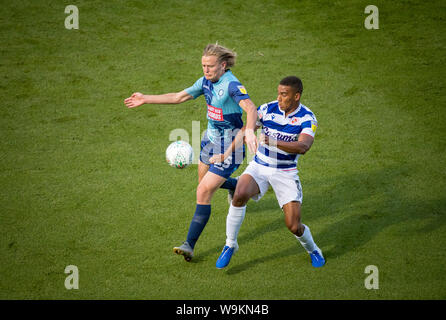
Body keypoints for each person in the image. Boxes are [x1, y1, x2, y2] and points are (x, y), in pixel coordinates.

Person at [124, 43, 258, 262]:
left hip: (231, 147)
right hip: (209, 140)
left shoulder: (232, 85)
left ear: (223, 65)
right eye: (203, 65)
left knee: (203, 191)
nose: (206, 70)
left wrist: (250, 131)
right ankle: (235, 185)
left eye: (210, 66)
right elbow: (178, 97)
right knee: (204, 182)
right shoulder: (204, 82)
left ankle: (189, 245)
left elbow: (251, 108)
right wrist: (146, 98)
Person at [210, 76, 325, 269]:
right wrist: (226, 154)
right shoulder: (266, 109)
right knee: (239, 195)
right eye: (278, 93)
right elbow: (247, 131)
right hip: (260, 166)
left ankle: (313, 249)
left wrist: (273, 141)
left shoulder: (307, 117)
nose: (279, 98)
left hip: (285, 172)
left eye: (284, 94)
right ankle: (230, 244)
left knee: (294, 226)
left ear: (296, 96)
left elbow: (303, 146)